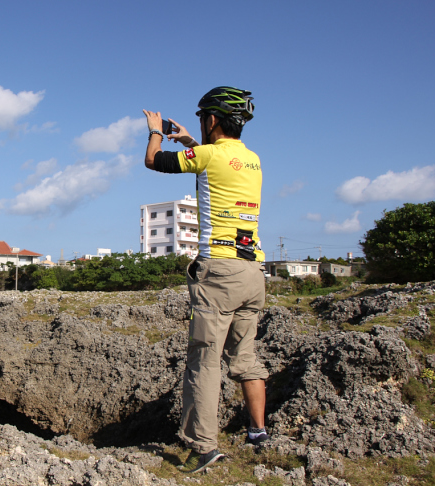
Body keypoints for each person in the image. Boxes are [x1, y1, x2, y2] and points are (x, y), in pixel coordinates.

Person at [143, 87, 269, 473]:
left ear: (211, 119)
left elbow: (154, 162)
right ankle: (258, 432)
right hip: (254, 272)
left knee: (205, 360)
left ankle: (204, 447)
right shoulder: (251, 160)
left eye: (202, 119)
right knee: (244, 357)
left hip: (219, 272)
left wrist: (155, 132)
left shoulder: (211, 156)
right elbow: (215, 163)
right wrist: (189, 140)